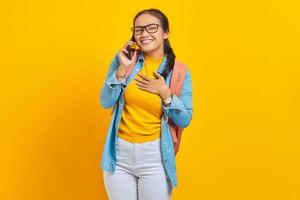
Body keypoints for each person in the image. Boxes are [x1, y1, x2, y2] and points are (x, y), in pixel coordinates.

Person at [99, 8, 193, 200]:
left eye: (152, 28)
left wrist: (165, 92)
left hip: (155, 157)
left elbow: (184, 120)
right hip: (119, 156)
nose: (144, 34)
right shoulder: (125, 61)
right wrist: (121, 72)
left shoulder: (179, 72)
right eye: (138, 29)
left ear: (165, 33)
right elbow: (105, 101)